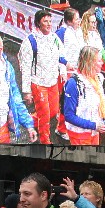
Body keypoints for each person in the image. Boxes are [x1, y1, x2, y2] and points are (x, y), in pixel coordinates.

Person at [18, 10, 67, 145]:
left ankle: (28, 120)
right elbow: (25, 68)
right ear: (38, 23)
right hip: (38, 83)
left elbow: (61, 57)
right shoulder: (30, 41)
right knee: (45, 115)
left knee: (53, 111)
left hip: (52, 81)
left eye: (50, 21)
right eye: (45, 21)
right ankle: (45, 141)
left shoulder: (55, 38)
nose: (49, 24)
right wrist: (26, 91)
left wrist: (63, 71)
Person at [63, 46, 105, 146]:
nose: (102, 63)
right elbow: (69, 116)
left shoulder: (98, 79)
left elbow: (102, 101)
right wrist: (94, 125)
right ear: (90, 63)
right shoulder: (74, 84)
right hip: (79, 135)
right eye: (99, 61)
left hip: (94, 132)